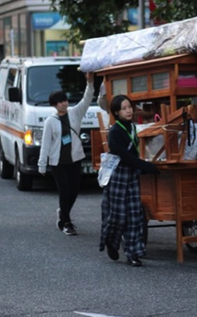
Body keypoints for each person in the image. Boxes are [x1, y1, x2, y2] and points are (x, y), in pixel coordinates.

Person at [99, 95, 159, 266]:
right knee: (117, 215)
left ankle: (133, 253)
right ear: (116, 112)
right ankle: (112, 242)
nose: (128, 110)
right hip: (118, 174)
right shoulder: (115, 131)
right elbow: (124, 156)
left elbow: (134, 154)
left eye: (130, 107)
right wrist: (146, 166)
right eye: (124, 108)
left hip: (132, 174)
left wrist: (144, 165)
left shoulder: (133, 128)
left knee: (134, 214)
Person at [37, 73, 95, 236]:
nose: (63, 104)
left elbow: (86, 99)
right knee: (64, 191)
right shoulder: (50, 121)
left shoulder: (75, 113)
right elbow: (46, 143)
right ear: (54, 105)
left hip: (75, 159)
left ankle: (62, 213)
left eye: (64, 100)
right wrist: (42, 163)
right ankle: (67, 222)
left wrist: (89, 84)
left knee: (74, 190)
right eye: (60, 102)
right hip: (58, 163)